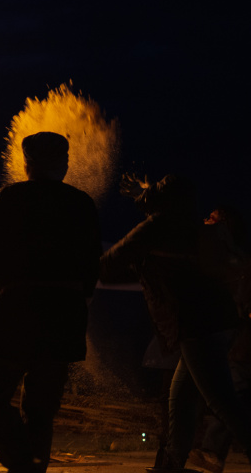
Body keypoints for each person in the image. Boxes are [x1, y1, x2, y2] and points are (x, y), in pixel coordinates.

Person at [0, 132, 101, 473]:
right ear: (64, 164)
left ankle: (24, 466)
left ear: (27, 163)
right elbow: (92, 265)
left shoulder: (13, 198)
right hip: (65, 316)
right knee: (41, 410)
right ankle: (32, 464)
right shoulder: (82, 203)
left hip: (18, 312)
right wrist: (78, 308)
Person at [101, 176, 251, 472]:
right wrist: (141, 195)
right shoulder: (193, 225)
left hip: (198, 325)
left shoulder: (158, 227)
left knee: (223, 404)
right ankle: (170, 465)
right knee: (180, 398)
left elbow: (109, 264)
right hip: (214, 322)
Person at [188, 206, 251, 473]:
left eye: (212, 219)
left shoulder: (239, 263)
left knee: (234, 394)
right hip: (219, 336)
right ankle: (200, 452)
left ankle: (211, 452)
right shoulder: (216, 256)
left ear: (224, 227)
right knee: (230, 395)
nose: (205, 221)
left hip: (238, 340)